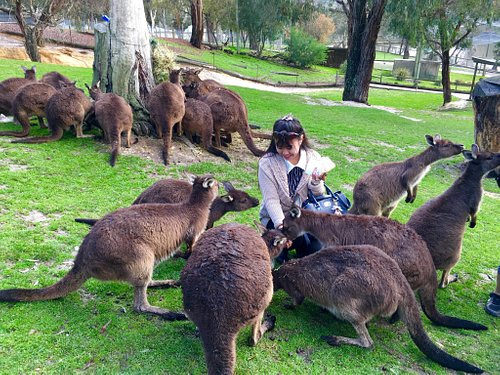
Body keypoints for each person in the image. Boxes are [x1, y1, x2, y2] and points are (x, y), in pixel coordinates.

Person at [258, 115, 331, 263]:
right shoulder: (267, 163)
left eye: (289, 147)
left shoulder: (313, 158)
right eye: (279, 146)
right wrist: (283, 228)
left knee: (314, 253)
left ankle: (303, 243)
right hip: (277, 219)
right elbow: (271, 200)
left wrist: (316, 181)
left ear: (301, 139)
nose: (284, 152)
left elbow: (317, 194)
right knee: (277, 254)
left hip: (304, 217)